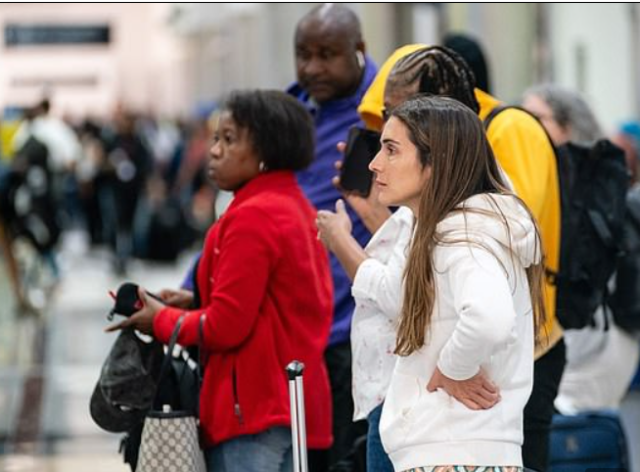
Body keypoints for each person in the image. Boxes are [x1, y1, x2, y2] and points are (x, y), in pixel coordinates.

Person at [107, 90, 333, 472]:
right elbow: (274, 306)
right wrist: (197, 301)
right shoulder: (293, 206)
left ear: (266, 151)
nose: (214, 151)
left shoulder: (253, 217)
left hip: (254, 415)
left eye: (229, 140)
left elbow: (227, 326)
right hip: (292, 404)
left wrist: (160, 320)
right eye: (215, 138)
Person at [371, 46, 563, 472]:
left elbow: (489, 316)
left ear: (434, 162)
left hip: (455, 454)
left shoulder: (464, 236)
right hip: (453, 452)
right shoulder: (451, 231)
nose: (374, 163)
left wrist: (454, 367)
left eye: (390, 149)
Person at [288, 4, 378, 469]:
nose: (312, 68)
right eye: (304, 54)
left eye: (327, 55)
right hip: (300, 327)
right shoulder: (293, 109)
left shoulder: (383, 113)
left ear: (359, 51)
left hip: (356, 328)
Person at [523, 84, 640, 413]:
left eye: (535, 118)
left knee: (578, 443)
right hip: (568, 342)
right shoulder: (548, 181)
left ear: (568, 127)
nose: (523, 125)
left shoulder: (594, 189)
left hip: (594, 343)